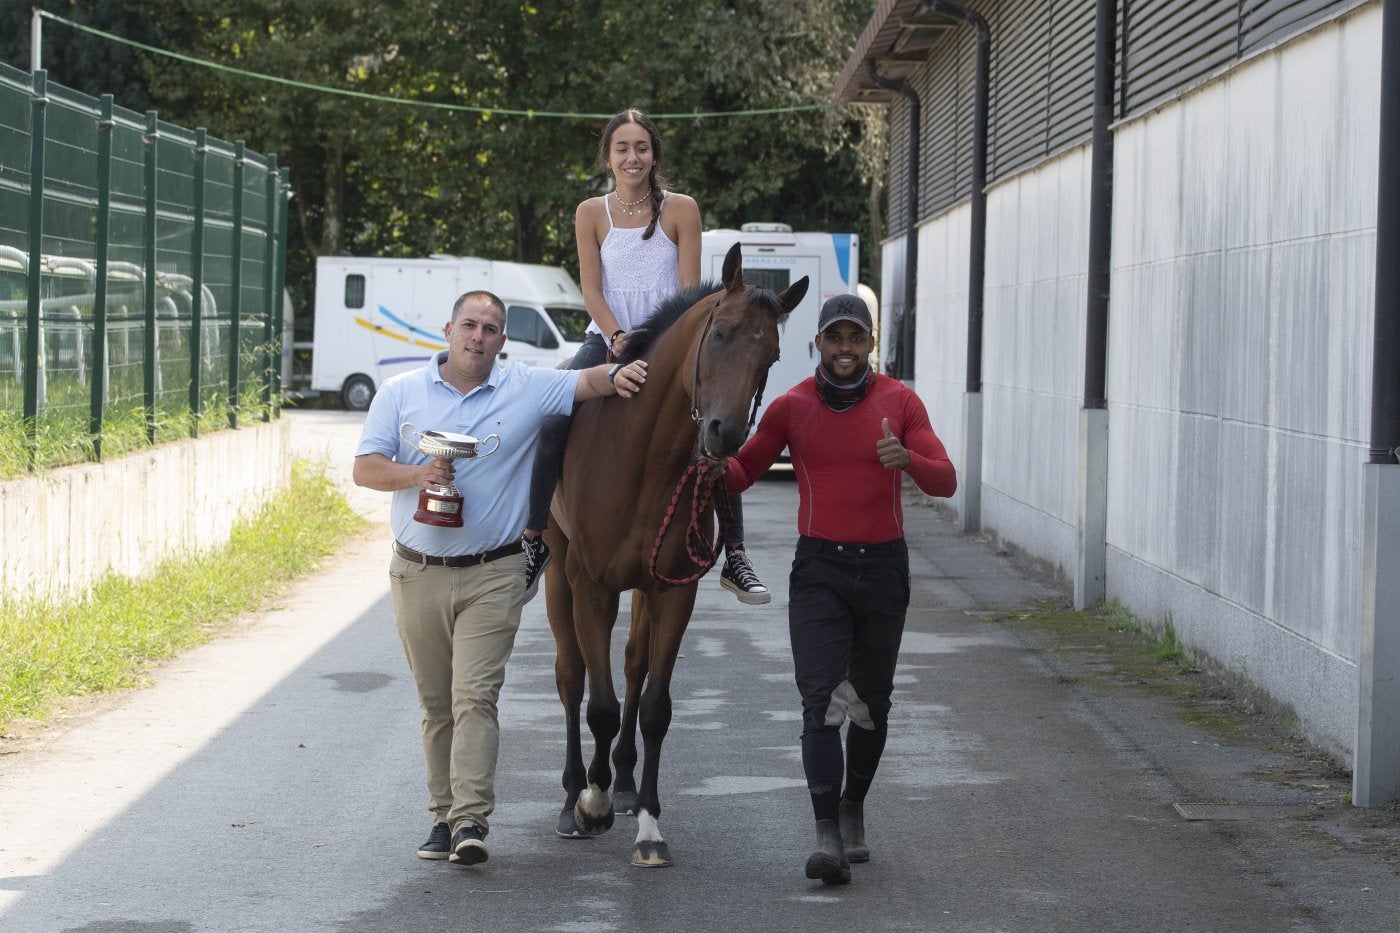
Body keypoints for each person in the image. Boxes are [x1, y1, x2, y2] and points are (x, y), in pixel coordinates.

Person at [353, 290, 648, 868]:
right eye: (469, 325)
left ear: (502, 341)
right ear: (448, 329)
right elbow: (365, 468)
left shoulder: (524, 387)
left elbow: (590, 384)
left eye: (490, 329)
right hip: (417, 573)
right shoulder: (400, 393)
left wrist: (635, 367)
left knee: (475, 698)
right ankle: (442, 816)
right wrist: (421, 472)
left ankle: (469, 820)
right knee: (437, 704)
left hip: (494, 572)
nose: (478, 337)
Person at [722, 294, 957, 885]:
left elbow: (947, 480)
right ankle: (826, 830)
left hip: (883, 570)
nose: (845, 348)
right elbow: (740, 473)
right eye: (835, 338)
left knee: (870, 707)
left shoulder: (900, 401)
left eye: (856, 338)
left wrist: (907, 459)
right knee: (822, 702)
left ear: (870, 345)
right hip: (820, 568)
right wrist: (695, 461)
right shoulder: (791, 406)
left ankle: (853, 806)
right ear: (818, 344)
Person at [522, 107, 770, 606]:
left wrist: (666, 344)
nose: (633, 157)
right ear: (608, 157)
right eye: (622, 148)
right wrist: (615, 338)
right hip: (607, 339)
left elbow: (691, 292)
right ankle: (534, 541)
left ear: (654, 154)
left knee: (717, 428)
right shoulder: (591, 213)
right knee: (550, 419)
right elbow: (591, 290)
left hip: (669, 341)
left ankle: (735, 553)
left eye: (641, 147)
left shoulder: (682, 209)